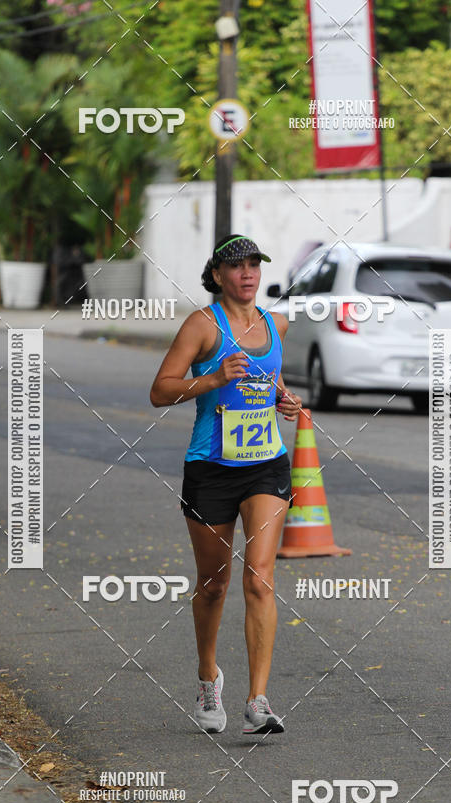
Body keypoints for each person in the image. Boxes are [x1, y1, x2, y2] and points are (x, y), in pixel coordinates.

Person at [150, 234, 302, 735]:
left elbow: (268, 382)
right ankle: (207, 678)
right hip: (211, 468)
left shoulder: (276, 324)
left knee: (259, 578)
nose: (248, 273)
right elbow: (160, 391)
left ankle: (258, 701)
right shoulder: (202, 325)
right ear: (217, 275)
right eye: (237, 265)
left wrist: (284, 401)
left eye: (255, 264)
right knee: (214, 585)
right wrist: (213, 379)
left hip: (266, 466)